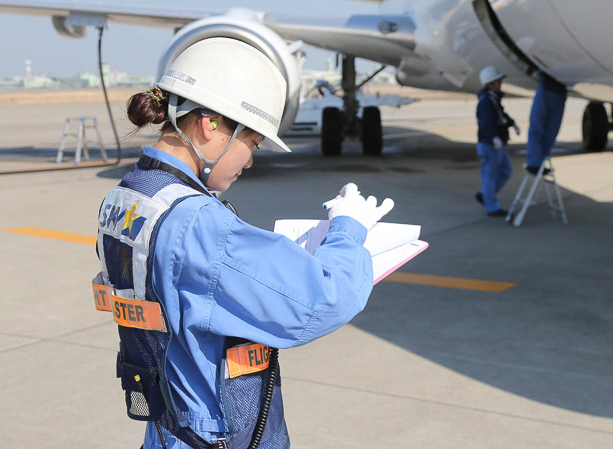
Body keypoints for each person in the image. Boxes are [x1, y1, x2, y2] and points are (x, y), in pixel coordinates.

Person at [92, 37, 394, 448]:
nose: (251, 160)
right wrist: (348, 230)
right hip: (216, 437)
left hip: (167, 430)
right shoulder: (197, 224)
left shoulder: (128, 196)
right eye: (251, 142)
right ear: (210, 124)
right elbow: (323, 299)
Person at [475, 66, 519, 217]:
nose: (500, 83)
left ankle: (484, 195)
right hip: (490, 144)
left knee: (506, 171)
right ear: (490, 84)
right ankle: (492, 207)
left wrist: (512, 123)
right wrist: (494, 137)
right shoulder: (486, 102)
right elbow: (486, 123)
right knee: (490, 176)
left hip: (498, 143)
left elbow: (501, 116)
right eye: (497, 81)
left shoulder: (493, 99)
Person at [526, 71, 568, 175]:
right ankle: (534, 163)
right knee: (537, 129)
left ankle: (538, 162)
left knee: (550, 132)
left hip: (557, 92)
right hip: (549, 90)